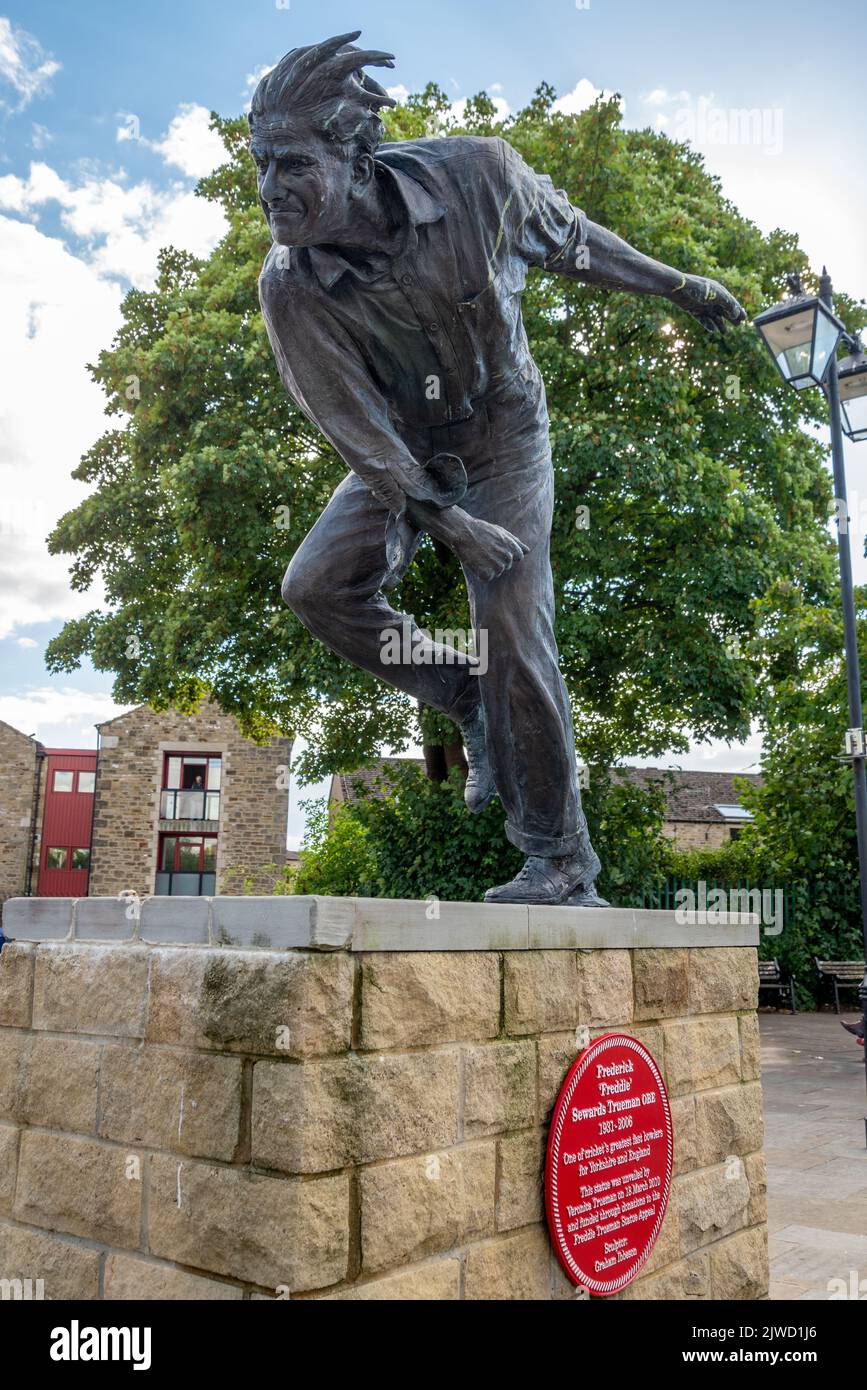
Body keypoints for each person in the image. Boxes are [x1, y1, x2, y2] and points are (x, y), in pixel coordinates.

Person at [253, 32, 745, 905]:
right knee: (317, 587)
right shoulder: (289, 282)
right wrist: (442, 519)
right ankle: (461, 696)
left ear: (355, 155)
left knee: (511, 626)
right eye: (259, 165)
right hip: (402, 449)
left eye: (290, 165)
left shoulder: (479, 178)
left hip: (503, 433)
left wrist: (678, 286)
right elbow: (351, 423)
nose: (268, 191)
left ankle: (561, 859)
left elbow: (574, 242)